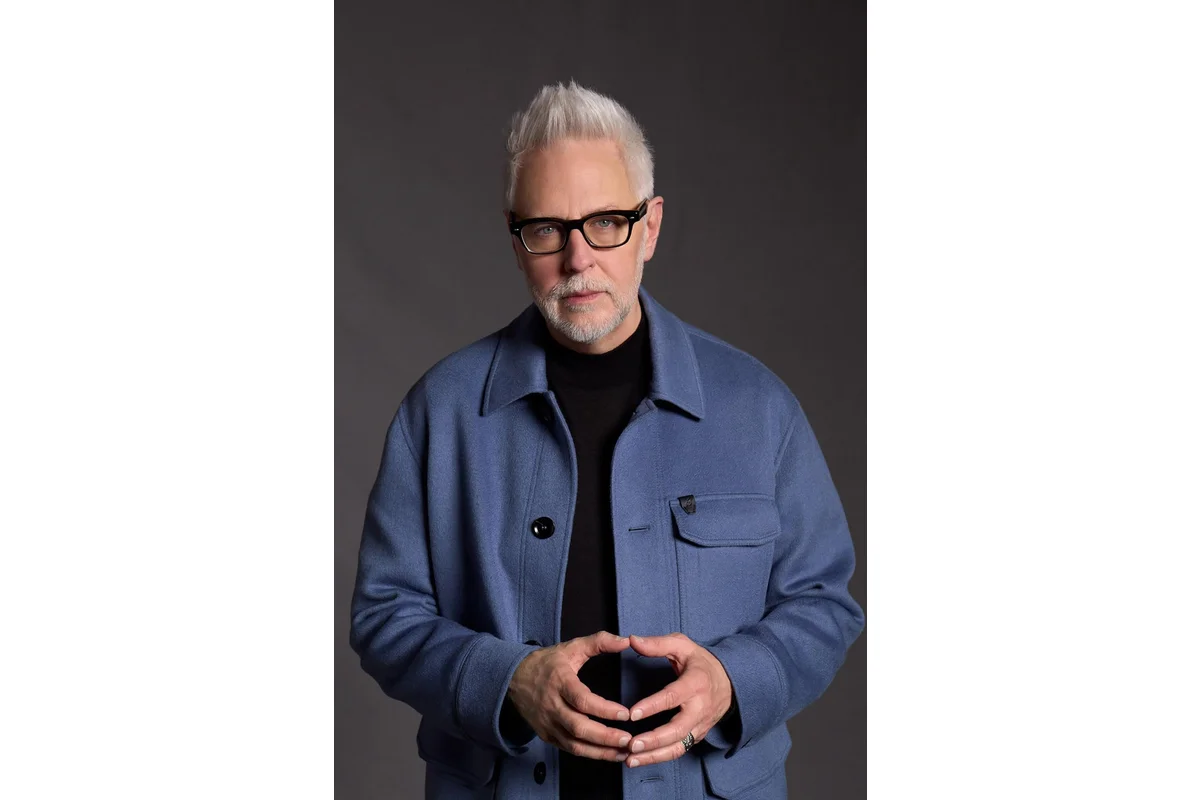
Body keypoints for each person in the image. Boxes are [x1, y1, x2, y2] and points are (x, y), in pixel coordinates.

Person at [349, 81, 864, 800]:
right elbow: (384, 613)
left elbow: (824, 601)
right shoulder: (439, 412)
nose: (578, 258)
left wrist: (732, 680)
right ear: (515, 239)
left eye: (606, 223)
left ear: (650, 227)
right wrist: (507, 680)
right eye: (547, 229)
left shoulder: (759, 407)